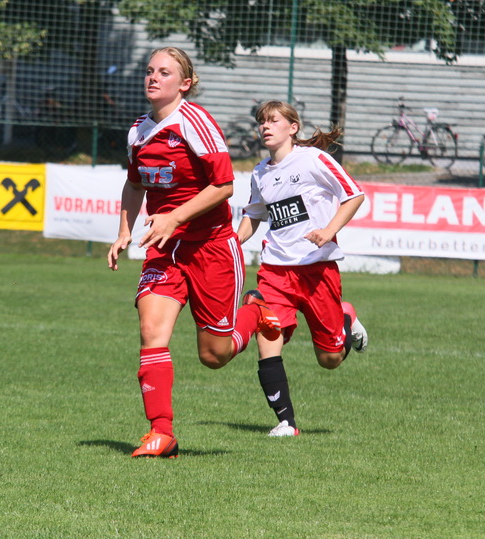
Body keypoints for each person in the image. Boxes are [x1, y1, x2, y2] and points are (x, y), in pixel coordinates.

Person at [107, 47, 282, 458]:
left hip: (212, 247)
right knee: (151, 330)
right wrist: (123, 231)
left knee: (214, 355)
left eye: (164, 72)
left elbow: (224, 186)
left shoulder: (195, 121)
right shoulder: (138, 131)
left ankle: (255, 311)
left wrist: (174, 217)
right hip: (164, 249)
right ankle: (161, 432)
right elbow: (135, 184)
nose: (153, 77)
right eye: (150, 71)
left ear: (184, 83)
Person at [236, 100, 370, 437]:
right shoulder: (260, 172)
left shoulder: (313, 159)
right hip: (275, 271)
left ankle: (345, 316)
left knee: (329, 360)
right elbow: (254, 214)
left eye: (273, 120)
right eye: (262, 122)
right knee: (268, 338)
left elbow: (354, 195)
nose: (265, 127)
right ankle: (286, 422)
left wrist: (328, 231)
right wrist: (232, 242)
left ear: (292, 128)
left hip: (316, 271)